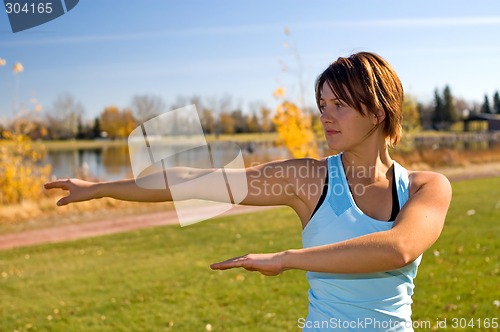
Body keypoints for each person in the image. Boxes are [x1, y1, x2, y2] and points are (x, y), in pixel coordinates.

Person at [44, 51, 451, 331]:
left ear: (377, 113)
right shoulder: (306, 180)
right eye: (322, 104)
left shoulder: (426, 187)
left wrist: (286, 259)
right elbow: (194, 179)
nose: (325, 116)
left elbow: (398, 248)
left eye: (339, 105)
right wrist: (99, 188)